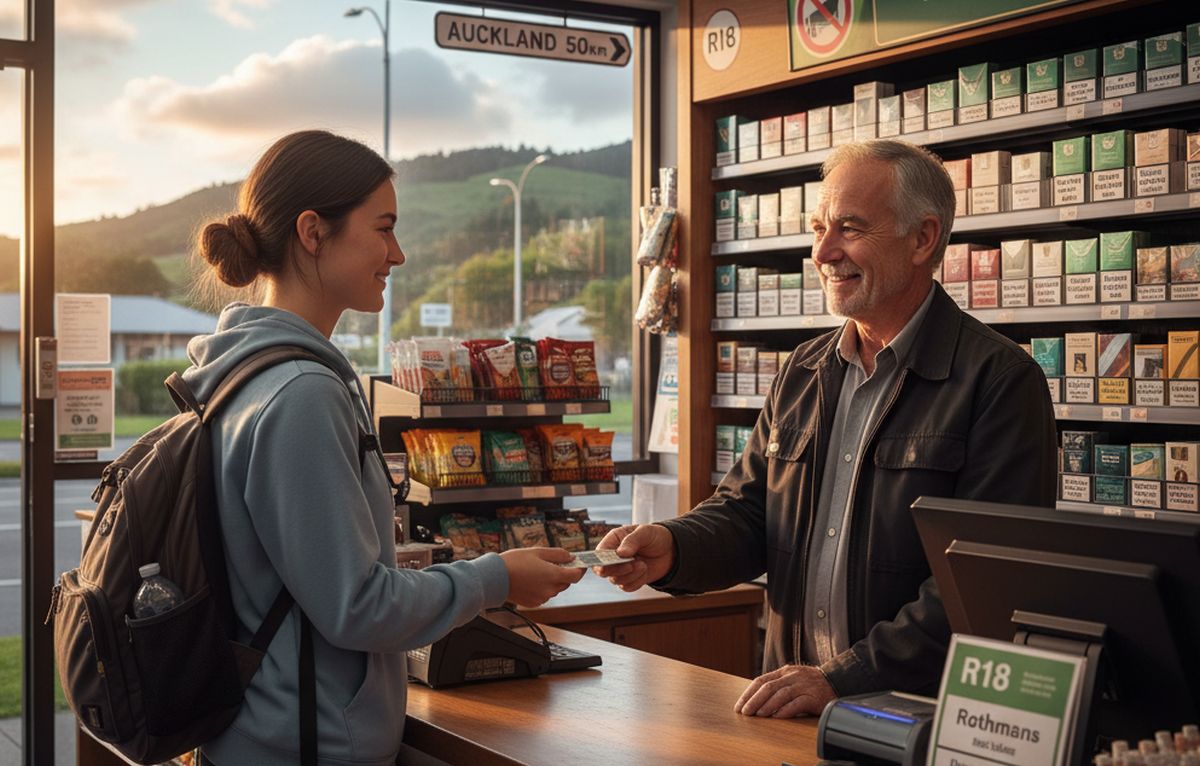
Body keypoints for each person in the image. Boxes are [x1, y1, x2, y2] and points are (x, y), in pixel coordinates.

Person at [598, 139, 1056, 718]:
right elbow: (748, 512)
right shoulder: (805, 369)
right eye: (819, 227)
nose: (823, 251)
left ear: (923, 239)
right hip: (797, 714)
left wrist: (843, 677)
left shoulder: (999, 381)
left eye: (850, 228)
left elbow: (984, 582)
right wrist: (674, 547)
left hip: (921, 721)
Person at [185, 130, 584, 766]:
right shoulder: (301, 394)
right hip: (305, 746)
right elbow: (357, 607)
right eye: (383, 228)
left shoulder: (243, 375)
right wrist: (498, 576)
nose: (397, 254)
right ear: (313, 232)